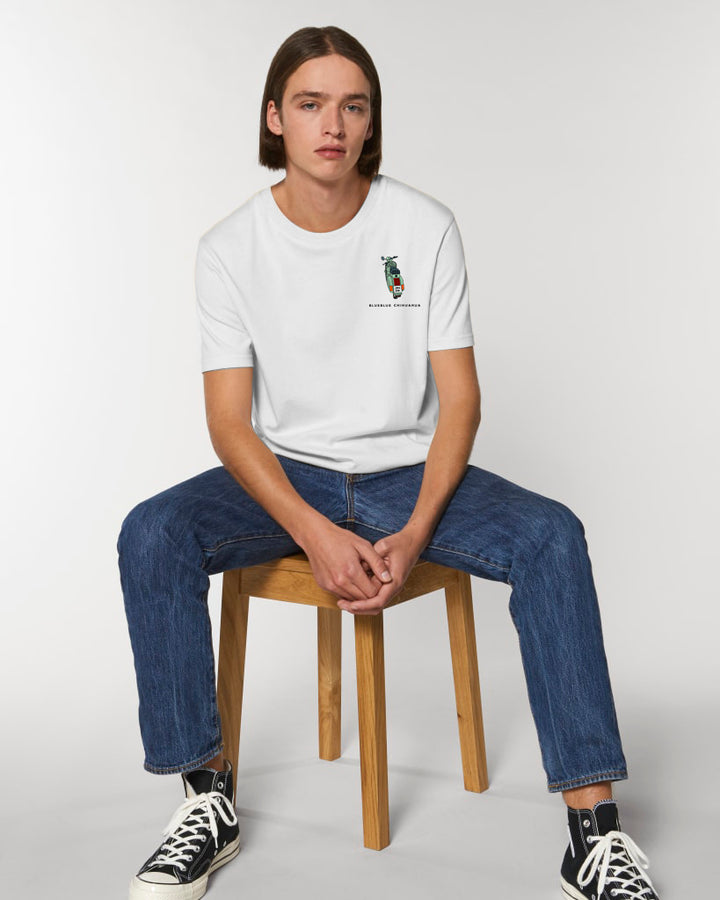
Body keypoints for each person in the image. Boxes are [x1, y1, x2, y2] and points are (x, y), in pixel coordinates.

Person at [117, 25, 660, 900]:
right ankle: (205, 798)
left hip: (406, 473)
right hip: (287, 473)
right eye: (311, 104)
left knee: (552, 535)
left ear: (371, 122)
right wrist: (314, 532)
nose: (332, 124)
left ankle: (592, 834)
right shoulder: (229, 248)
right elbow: (229, 425)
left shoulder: (422, 227)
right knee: (152, 533)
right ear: (275, 118)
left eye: (353, 105)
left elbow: (461, 400)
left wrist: (415, 531)